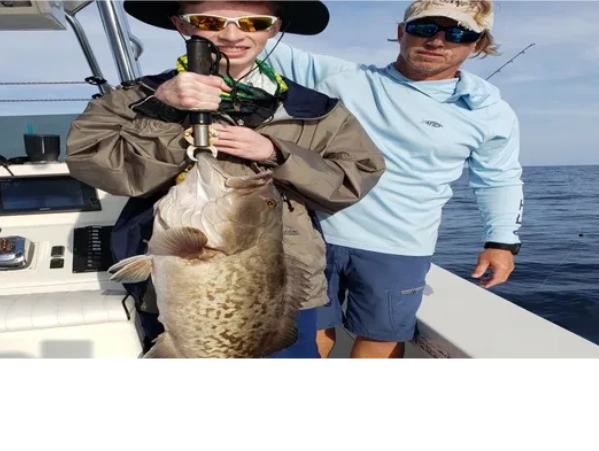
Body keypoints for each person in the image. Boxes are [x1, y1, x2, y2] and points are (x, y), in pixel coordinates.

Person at [65, 0, 386, 360]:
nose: (232, 34)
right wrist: (160, 109)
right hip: (182, 290)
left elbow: (356, 175)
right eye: (209, 20)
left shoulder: (317, 110)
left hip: (278, 291)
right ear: (182, 25)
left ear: (274, 28)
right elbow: (90, 160)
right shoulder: (135, 98)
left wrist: (277, 153)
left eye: (253, 22)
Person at [260, 0, 525, 360]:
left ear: (477, 45)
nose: (438, 41)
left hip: (400, 245)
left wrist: (501, 242)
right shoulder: (339, 76)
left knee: (380, 340)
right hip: (312, 233)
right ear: (401, 33)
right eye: (425, 29)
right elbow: (255, 41)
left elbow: (499, 179)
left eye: (459, 33)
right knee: (309, 335)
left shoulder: (490, 112)